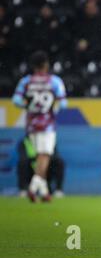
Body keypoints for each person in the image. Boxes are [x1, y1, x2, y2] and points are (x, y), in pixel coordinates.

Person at [12, 50, 68, 202]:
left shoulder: (26, 81)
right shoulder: (54, 81)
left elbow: (16, 100)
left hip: (31, 124)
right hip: (47, 125)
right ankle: (33, 187)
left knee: (39, 157)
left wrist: (28, 105)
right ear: (46, 64)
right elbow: (63, 103)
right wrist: (52, 106)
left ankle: (44, 192)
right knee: (45, 156)